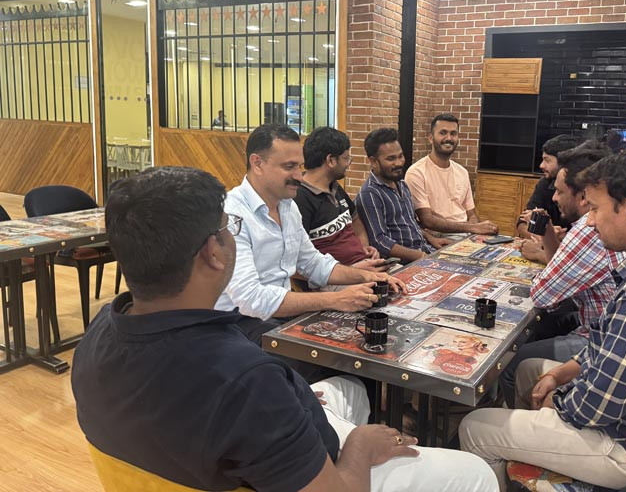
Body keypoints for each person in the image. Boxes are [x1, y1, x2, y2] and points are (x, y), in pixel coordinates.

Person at [71, 166, 497, 492]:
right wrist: (360, 447)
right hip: (317, 470)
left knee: (348, 388)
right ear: (213, 252)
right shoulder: (248, 380)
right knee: (473, 471)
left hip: (231, 444)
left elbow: (311, 266)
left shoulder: (97, 336)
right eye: (228, 228)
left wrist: (291, 401)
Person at [459, 150, 626, 492]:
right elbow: (608, 344)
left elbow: (592, 409)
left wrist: (555, 403)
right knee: (528, 371)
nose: (590, 221)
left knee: (476, 427)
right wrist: (559, 374)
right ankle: (530, 457)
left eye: (596, 209)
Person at [217, 124, 404, 338]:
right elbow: (251, 300)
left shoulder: (288, 207)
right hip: (236, 325)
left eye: (299, 166)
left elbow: (314, 263)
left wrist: (369, 276)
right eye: (289, 167)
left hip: (277, 317)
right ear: (257, 163)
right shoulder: (231, 215)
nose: (299, 176)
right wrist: (335, 299)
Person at [499, 141, 622, 407]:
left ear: (583, 196)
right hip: (597, 322)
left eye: (559, 191)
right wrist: (548, 236)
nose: (554, 198)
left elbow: (543, 295)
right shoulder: (599, 222)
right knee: (539, 326)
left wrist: (543, 254)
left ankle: (520, 421)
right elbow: (560, 275)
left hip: (599, 338)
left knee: (509, 362)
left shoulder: (586, 229)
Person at [294, 126, 384, 268]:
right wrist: (353, 271)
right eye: (346, 158)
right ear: (330, 160)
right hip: (338, 276)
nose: (348, 164)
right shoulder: (299, 199)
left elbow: (355, 219)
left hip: (363, 265)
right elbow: (298, 262)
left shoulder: (334, 186)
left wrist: (364, 248)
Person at [356, 128, 449, 263]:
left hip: (425, 250)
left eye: (400, 156)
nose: (399, 163)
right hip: (401, 263)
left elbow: (410, 223)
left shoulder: (402, 185)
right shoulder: (370, 194)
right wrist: (420, 256)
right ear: (373, 161)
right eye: (391, 159)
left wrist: (432, 239)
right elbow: (379, 241)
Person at [406, 114, 498, 238]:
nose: (449, 138)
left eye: (453, 133)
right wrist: (472, 228)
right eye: (443, 133)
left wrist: (476, 231)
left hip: (466, 235)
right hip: (437, 238)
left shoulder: (462, 172)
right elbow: (427, 220)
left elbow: (471, 214)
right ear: (430, 138)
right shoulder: (416, 173)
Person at [516, 134, 581, 237]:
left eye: (547, 160)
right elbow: (522, 223)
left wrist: (552, 236)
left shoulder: (582, 188)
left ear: (564, 163)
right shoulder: (545, 183)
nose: (541, 165)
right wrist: (546, 236)